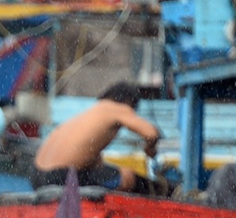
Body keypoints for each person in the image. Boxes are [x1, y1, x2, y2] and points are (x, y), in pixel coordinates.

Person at [31, 82, 164, 192]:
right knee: (128, 177)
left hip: (37, 175)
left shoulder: (90, 113)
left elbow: (92, 162)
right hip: (60, 176)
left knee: (107, 172)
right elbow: (151, 133)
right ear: (129, 102)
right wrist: (149, 149)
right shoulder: (117, 108)